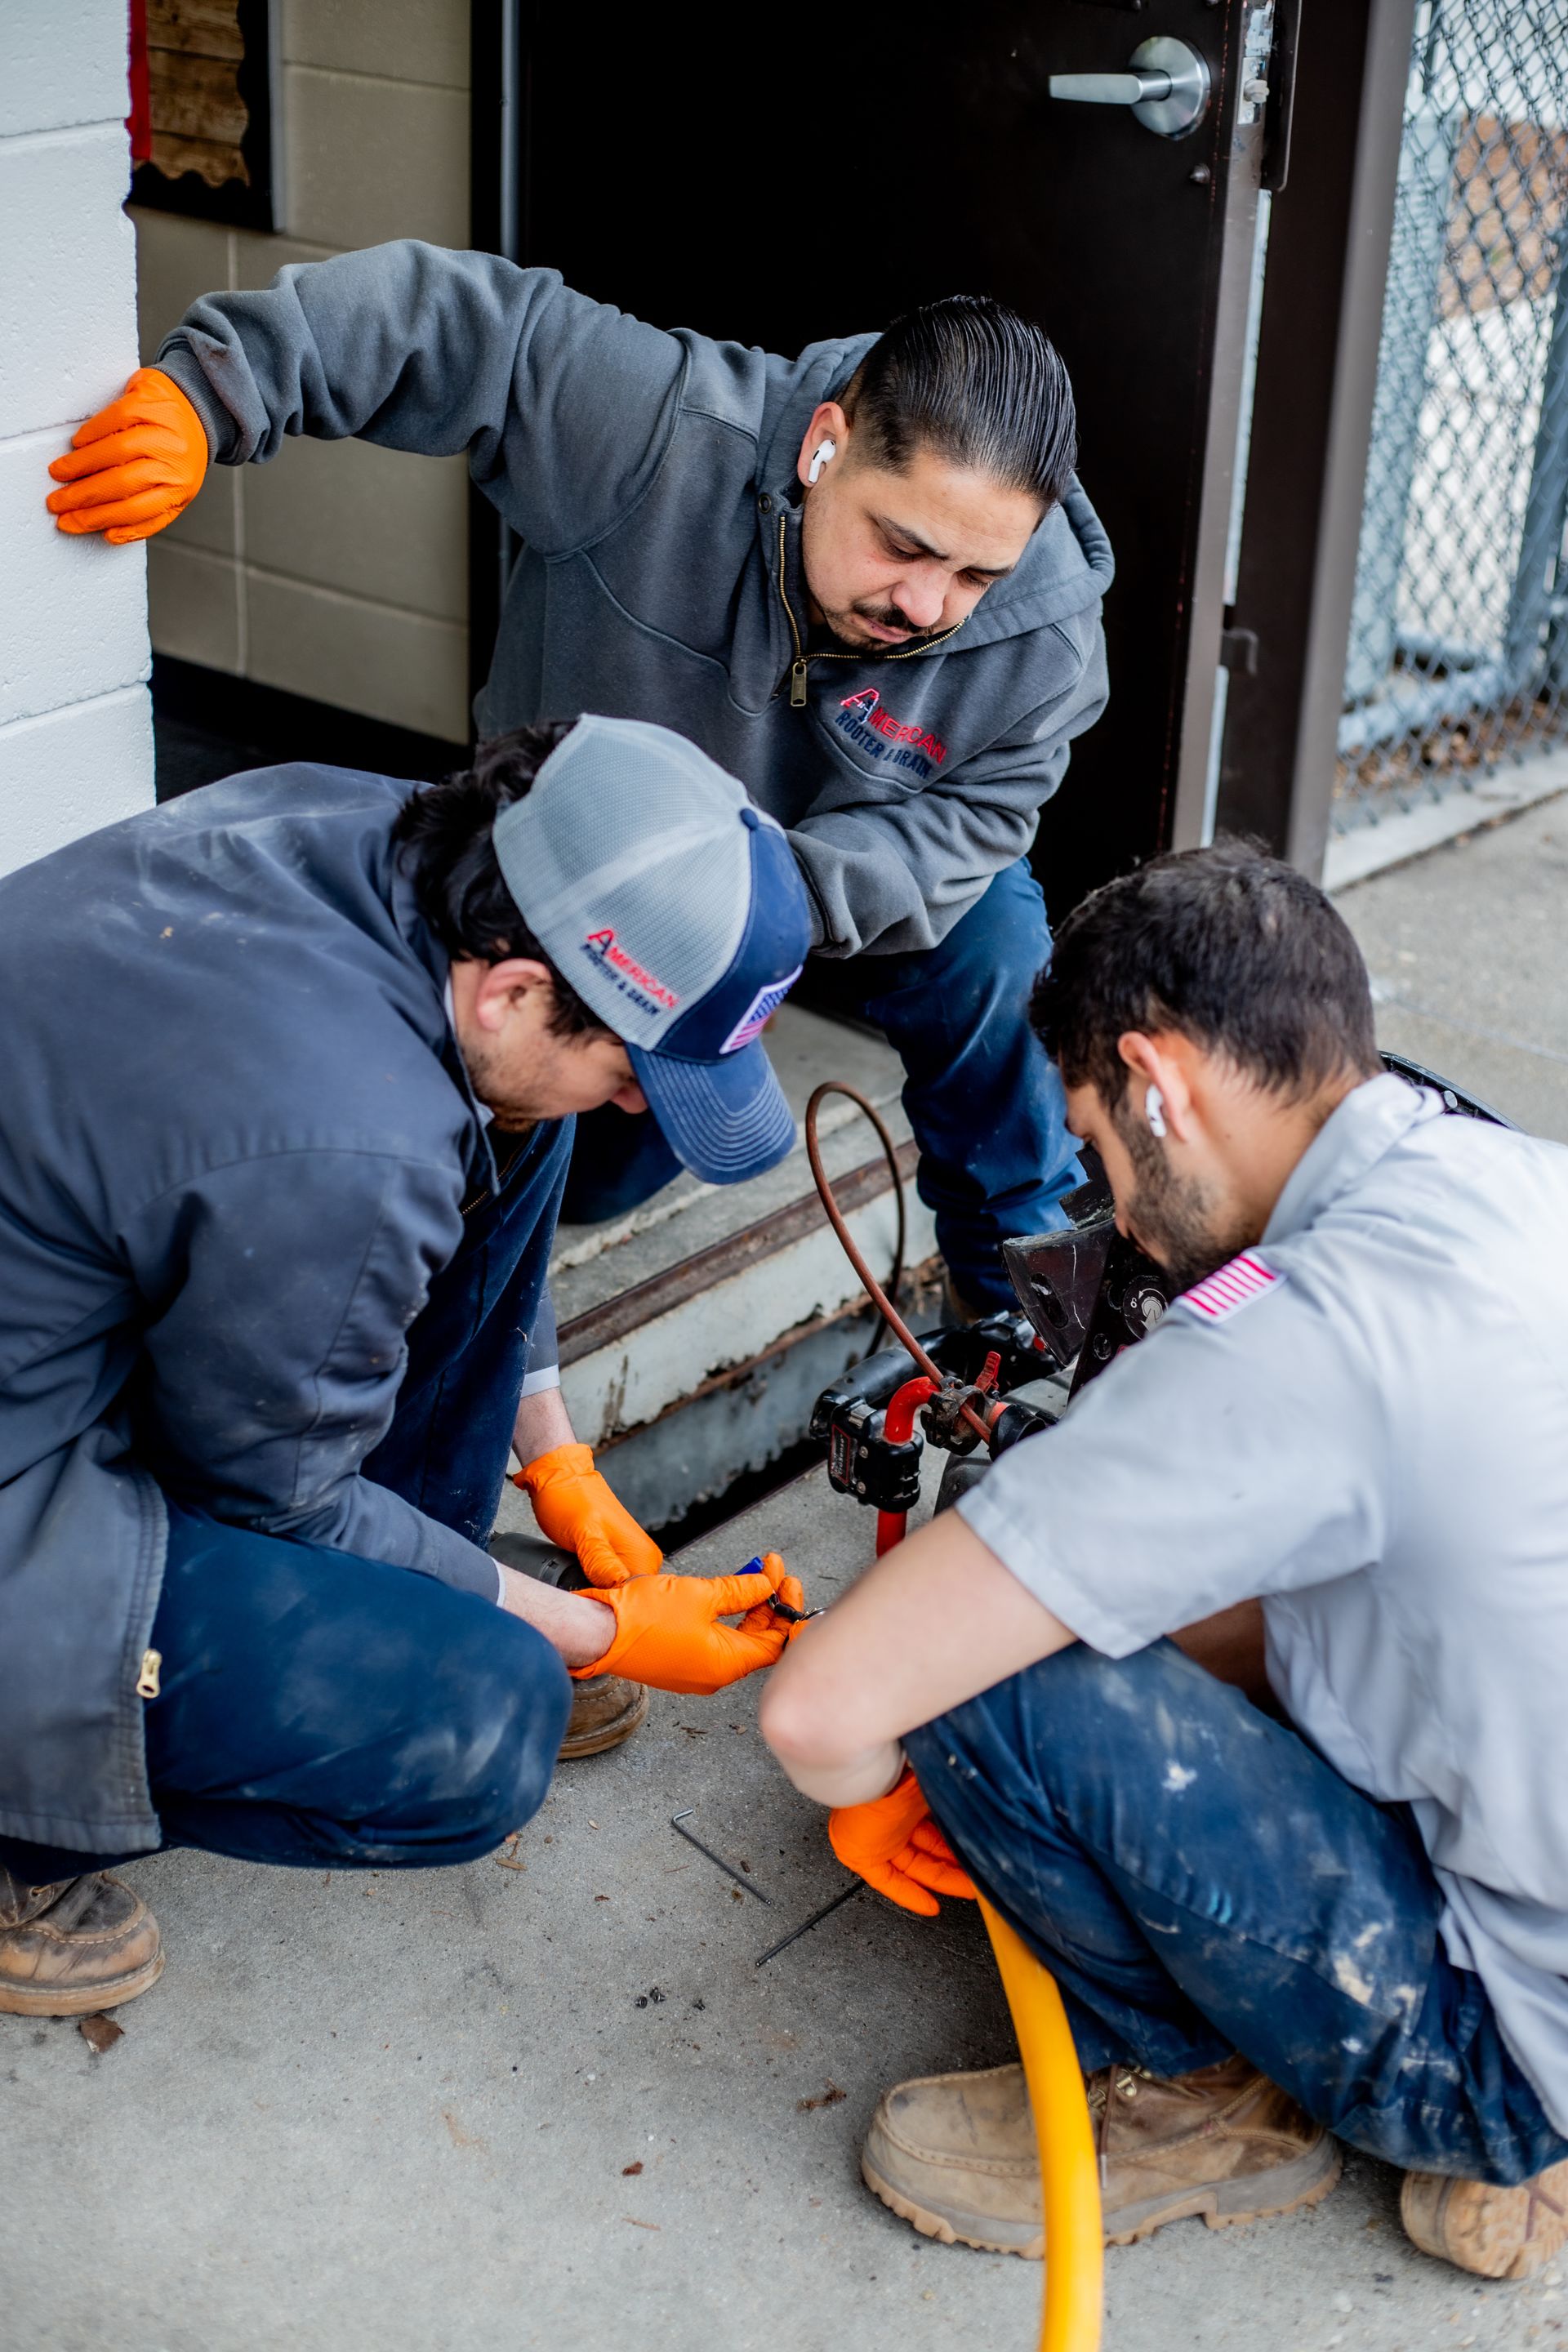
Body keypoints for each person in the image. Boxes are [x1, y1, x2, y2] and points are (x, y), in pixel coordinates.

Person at [761, 840, 1568, 2286]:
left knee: (981, 1674)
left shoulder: (1301, 1336)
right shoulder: (1517, 1186)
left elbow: (818, 1708)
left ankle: (1208, 2097)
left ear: (1158, 1081)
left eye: (1098, 1143)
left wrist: (882, 1790)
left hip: (1494, 2041)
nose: (1116, 1211)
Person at [43, 253, 1112, 1312]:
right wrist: (213, 394)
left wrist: (764, 916)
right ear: (825, 445)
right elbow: (459, 323)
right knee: (588, 1169)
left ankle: (1024, 1332)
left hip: (814, 886)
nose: (928, 604)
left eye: (976, 574)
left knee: (1000, 950)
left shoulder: (1047, 631)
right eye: (904, 545)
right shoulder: (659, 433)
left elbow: (983, 812)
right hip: (572, 881)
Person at [0, 715, 809, 2019]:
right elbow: (280, 1494)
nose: (635, 1104)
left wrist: (557, 1457)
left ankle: (425, 1572)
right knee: (478, 1724)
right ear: (514, 986)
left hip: (59, 1314)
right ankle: (27, 1834)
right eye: (633, 1065)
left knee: (529, 1119)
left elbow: (495, 1134)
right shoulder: (349, 1142)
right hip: (21, 1491)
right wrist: (599, 1633)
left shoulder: (403, 848)